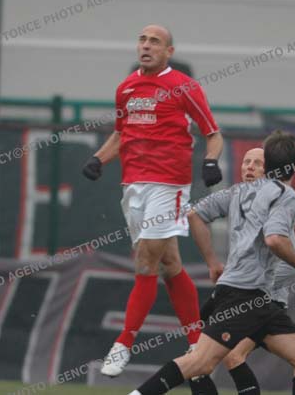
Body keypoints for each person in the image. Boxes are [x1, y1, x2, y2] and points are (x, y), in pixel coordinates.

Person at [128, 131, 295, 395]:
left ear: (268, 166)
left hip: (261, 299)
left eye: (257, 162)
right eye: (246, 161)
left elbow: (194, 214)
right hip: (247, 294)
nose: (250, 167)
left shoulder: (242, 192)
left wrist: (214, 263)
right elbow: (275, 240)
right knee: (201, 362)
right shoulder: (282, 194)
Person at [82, 24, 224, 377]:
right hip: (134, 186)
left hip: (168, 185)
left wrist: (210, 162)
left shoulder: (183, 86)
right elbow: (121, 134)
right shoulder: (126, 88)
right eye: (142, 40)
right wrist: (99, 158)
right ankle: (197, 342)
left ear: (168, 51)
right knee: (169, 263)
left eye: (154, 42)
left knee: (146, 260)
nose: (146, 46)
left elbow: (213, 134)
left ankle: (123, 343)